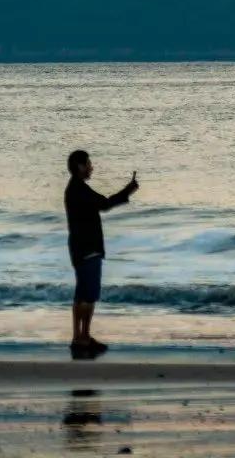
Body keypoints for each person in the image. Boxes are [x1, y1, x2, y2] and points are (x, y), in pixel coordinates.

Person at [64, 149, 138, 359]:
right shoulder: (79, 190)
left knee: (81, 295)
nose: (91, 167)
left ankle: (78, 337)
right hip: (88, 248)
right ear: (80, 166)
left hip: (79, 247)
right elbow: (105, 204)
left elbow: (101, 204)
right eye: (88, 163)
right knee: (89, 295)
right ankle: (83, 337)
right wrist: (128, 191)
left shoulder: (73, 189)